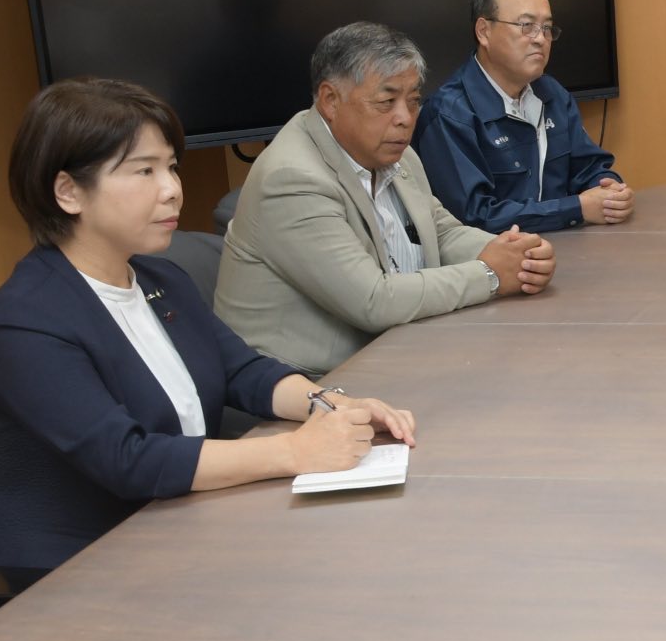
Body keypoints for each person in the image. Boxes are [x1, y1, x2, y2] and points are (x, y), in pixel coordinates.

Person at [0, 78, 416, 571]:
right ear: (69, 192)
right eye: (144, 171)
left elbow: (243, 371)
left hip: (183, 526)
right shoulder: (25, 321)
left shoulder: (160, 279)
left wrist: (333, 405)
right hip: (74, 570)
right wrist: (294, 451)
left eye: (171, 168)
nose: (172, 190)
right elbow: (127, 460)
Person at [216, 21, 557, 376]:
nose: (405, 119)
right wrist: (490, 274)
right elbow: (373, 301)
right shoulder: (292, 179)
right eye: (386, 102)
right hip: (305, 381)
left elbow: (441, 232)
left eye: (413, 101)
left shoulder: (397, 155)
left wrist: (517, 255)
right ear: (330, 100)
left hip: (396, 350)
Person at [412, 0, 632, 233]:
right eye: (527, 25)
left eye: (547, 28)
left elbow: (589, 167)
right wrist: (575, 209)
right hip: (495, 254)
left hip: (566, 244)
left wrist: (609, 190)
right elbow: (473, 216)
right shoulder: (449, 113)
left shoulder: (552, 93)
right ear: (484, 31)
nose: (541, 39)